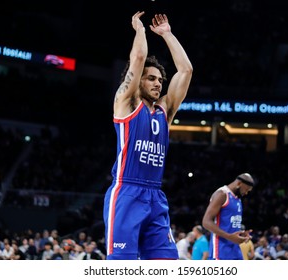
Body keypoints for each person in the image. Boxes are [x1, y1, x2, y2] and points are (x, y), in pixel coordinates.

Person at [103, 11, 193, 260]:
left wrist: (167, 34)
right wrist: (140, 30)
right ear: (137, 81)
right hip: (126, 192)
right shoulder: (126, 103)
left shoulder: (165, 111)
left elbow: (186, 70)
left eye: (160, 80)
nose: (158, 83)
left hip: (156, 196)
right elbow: (139, 57)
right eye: (151, 78)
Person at [202, 173, 254, 260]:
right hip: (220, 251)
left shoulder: (238, 199)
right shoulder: (222, 194)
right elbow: (206, 222)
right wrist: (229, 236)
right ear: (239, 184)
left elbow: (231, 226)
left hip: (235, 250)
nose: (246, 193)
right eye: (246, 190)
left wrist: (242, 234)